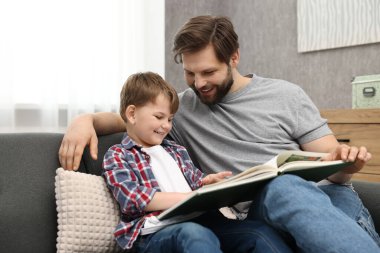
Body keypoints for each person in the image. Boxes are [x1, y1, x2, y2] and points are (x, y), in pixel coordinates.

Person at [59, 15, 380, 252]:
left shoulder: (286, 95)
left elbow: (334, 170)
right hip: (257, 214)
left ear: (233, 58)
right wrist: (84, 120)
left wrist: (346, 164)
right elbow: (130, 119)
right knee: (271, 203)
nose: (199, 83)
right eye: (189, 73)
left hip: (325, 202)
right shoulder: (180, 110)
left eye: (209, 72)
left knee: (284, 186)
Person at [103, 71, 230, 252]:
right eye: (159, 117)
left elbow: (195, 180)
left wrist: (207, 182)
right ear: (132, 114)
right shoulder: (118, 155)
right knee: (194, 235)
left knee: (257, 233)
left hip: (194, 220)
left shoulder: (176, 150)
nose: (167, 126)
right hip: (154, 232)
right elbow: (133, 198)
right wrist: (187, 199)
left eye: (170, 119)